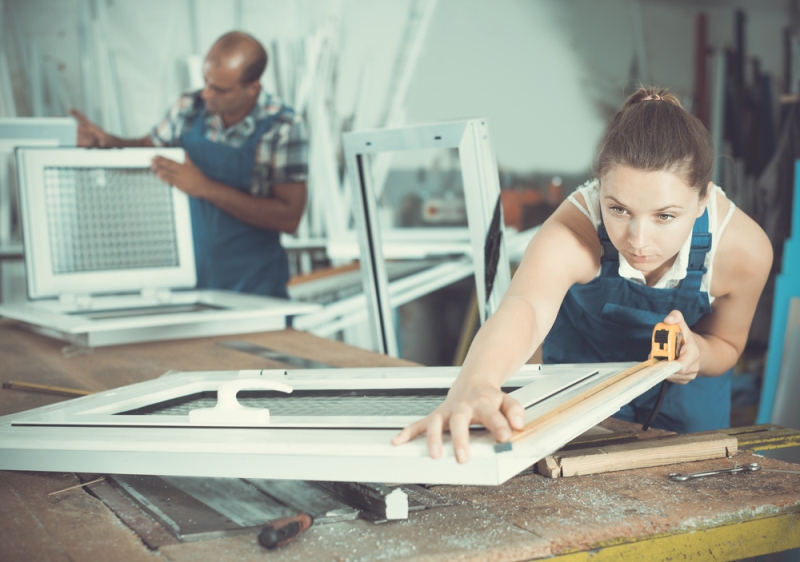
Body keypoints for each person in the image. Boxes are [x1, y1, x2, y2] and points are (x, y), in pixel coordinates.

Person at [392, 87, 773, 463]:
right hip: (583, 383)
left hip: (688, 398)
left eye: (665, 216)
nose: (638, 240)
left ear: (703, 199)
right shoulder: (575, 229)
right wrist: (477, 381)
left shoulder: (743, 251)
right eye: (619, 209)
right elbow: (525, 308)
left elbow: (728, 343)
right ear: (600, 189)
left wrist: (698, 354)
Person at [70, 31, 307, 298]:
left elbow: (289, 217)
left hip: (253, 284)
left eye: (220, 89)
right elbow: (150, 150)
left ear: (253, 88)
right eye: (206, 82)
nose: (206, 94)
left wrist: (204, 187)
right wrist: (109, 142)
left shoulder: (283, 127)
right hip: (188, 282)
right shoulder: (189, 106)